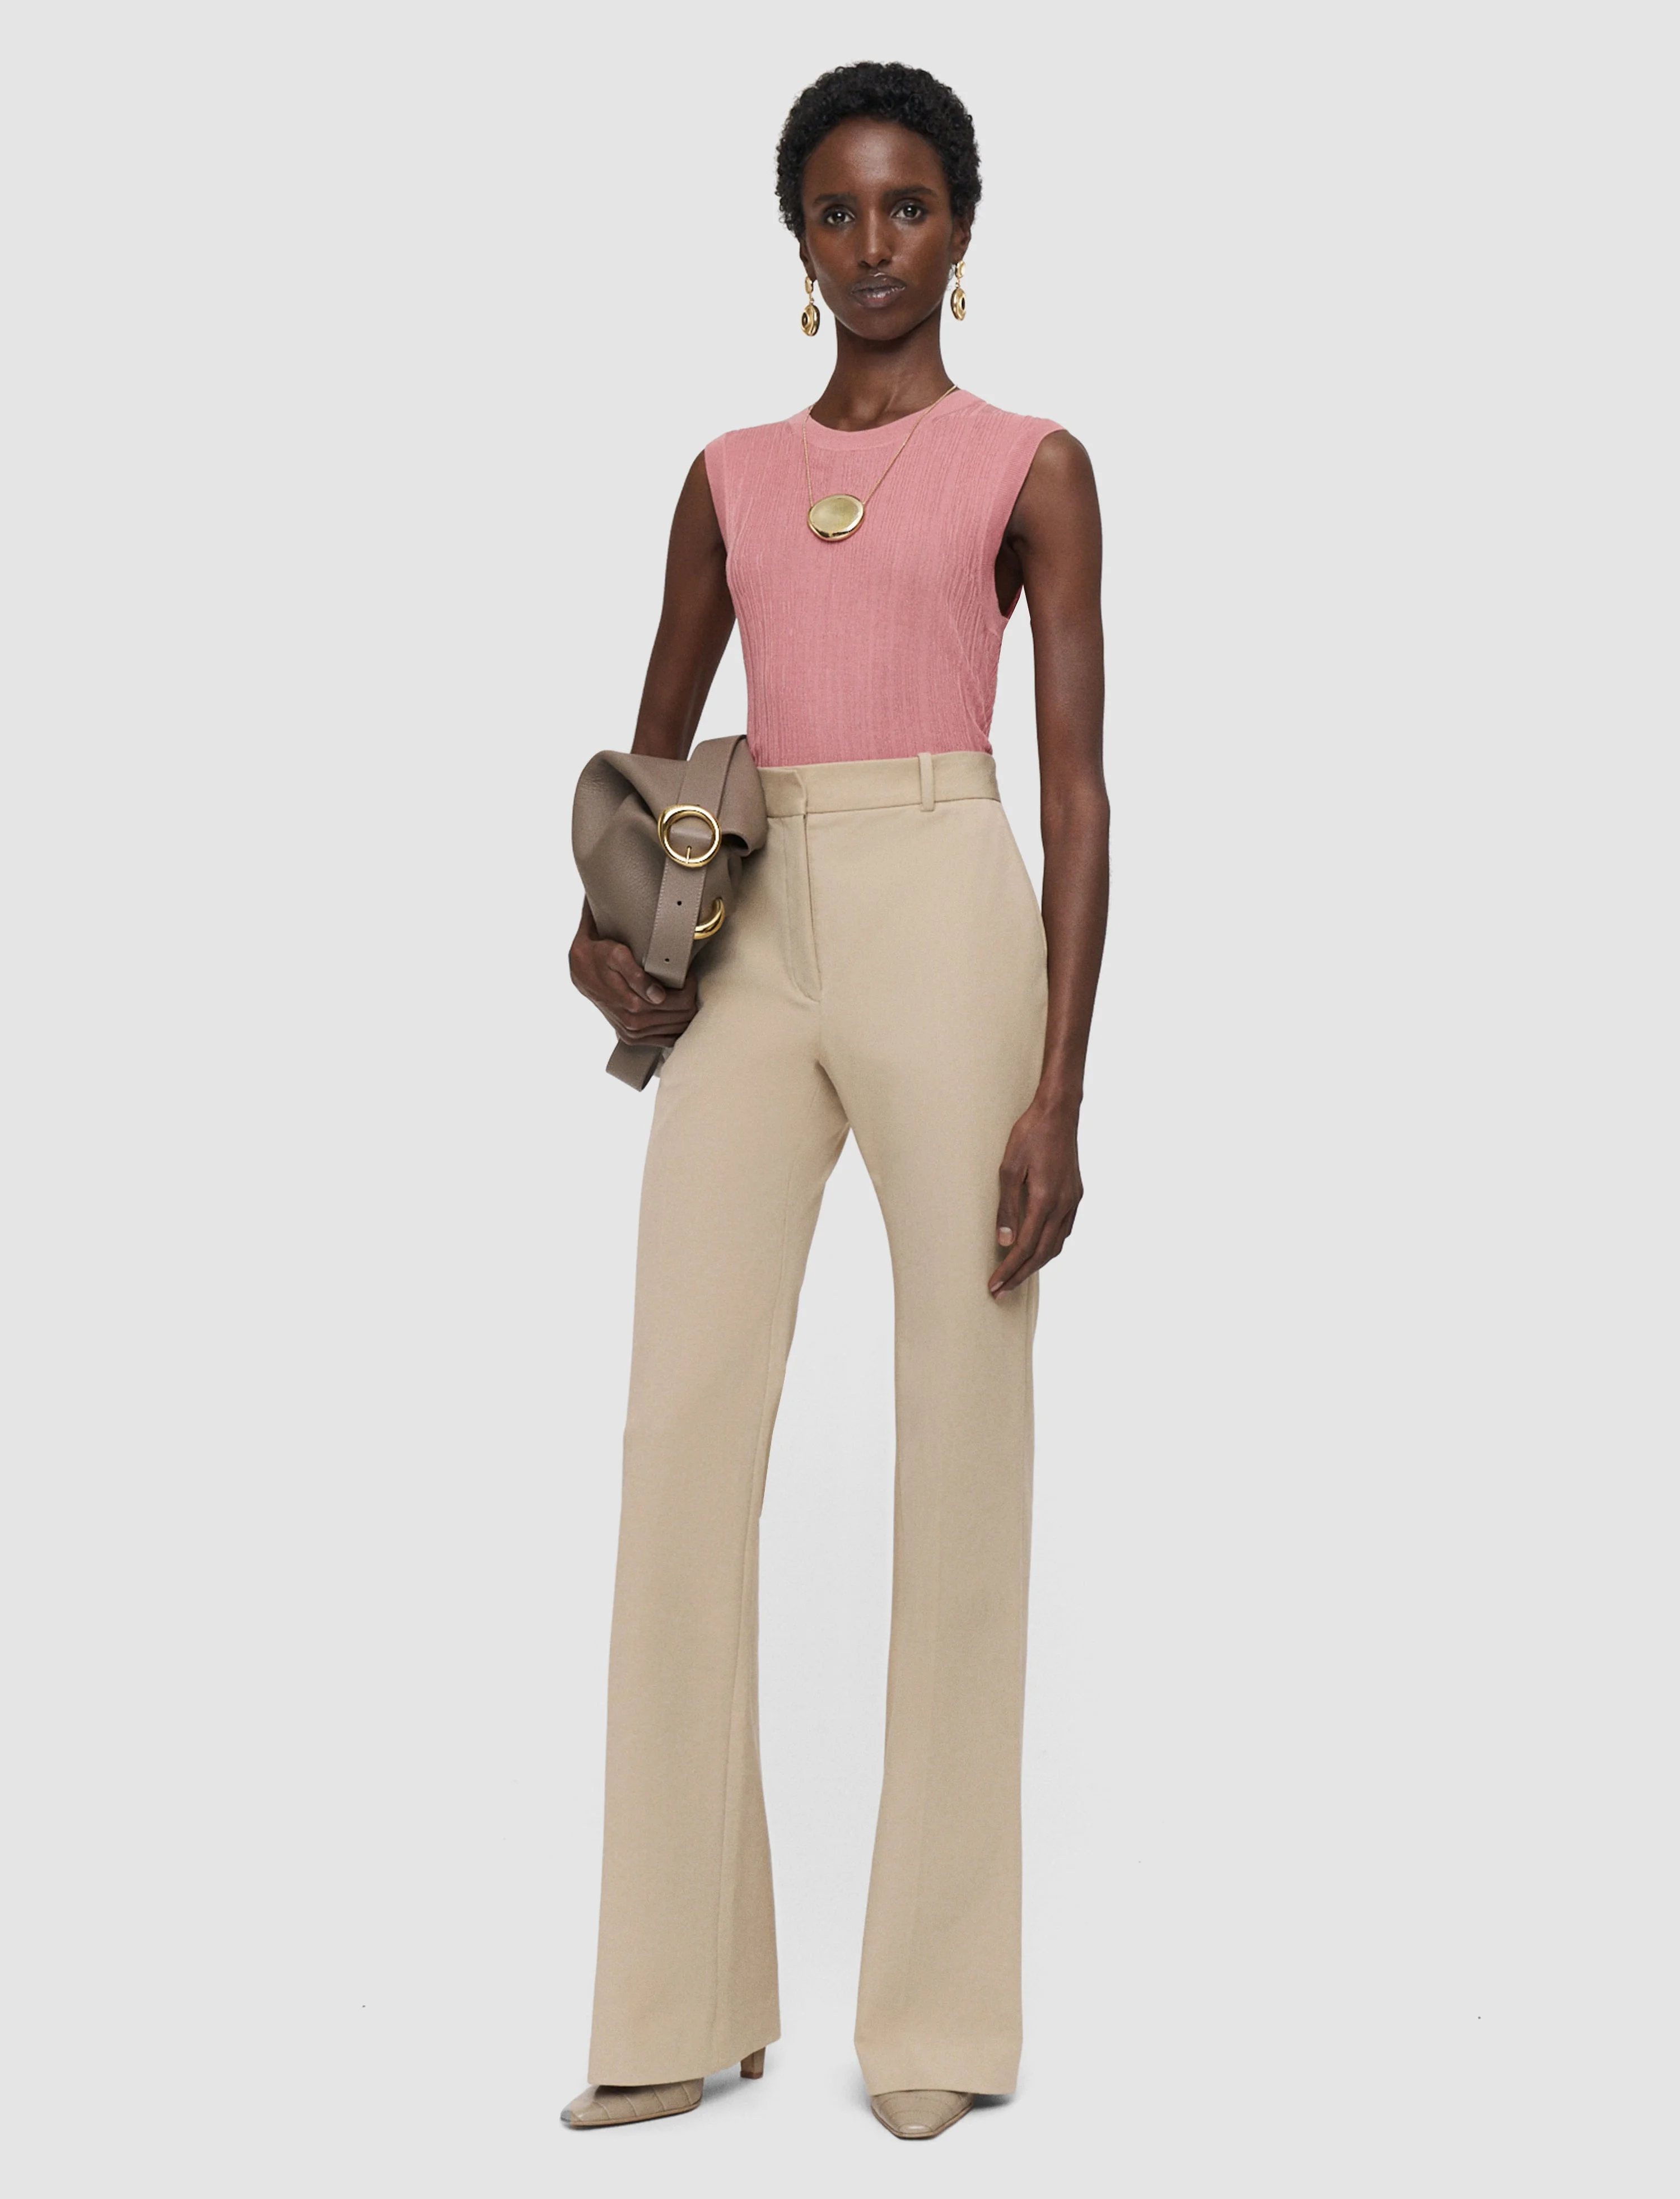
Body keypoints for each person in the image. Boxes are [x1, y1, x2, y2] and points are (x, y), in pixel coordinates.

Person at [563, 59, 1107, 2143]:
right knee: (679, 1428)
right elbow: (647, 771)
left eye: (908, 208)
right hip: (760, 926)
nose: (874, 246)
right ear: (795, 240)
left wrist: (1059, 1085)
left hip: (952, 904)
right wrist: (604, 938)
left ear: (963, 226)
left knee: (963, 1430)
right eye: (837, 212)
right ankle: (671, 1995)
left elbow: (1081, 791)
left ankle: (939, 2017)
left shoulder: (1033, 468)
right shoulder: (724, 476)